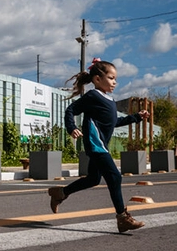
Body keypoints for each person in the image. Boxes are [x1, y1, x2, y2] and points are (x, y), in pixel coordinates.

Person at [48, 58, 150, 233]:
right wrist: (72, 128)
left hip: (101, 145)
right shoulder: (92, 96)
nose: (115, 82)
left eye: (115, 79)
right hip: (95, 144)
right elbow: (70, 110)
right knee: (114, 177)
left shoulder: (109, 100)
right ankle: (122, 218)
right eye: (111, 78)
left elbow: (114, 122)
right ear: (97, 79)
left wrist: (137, 117)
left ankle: (61, 193)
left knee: (93, 179)